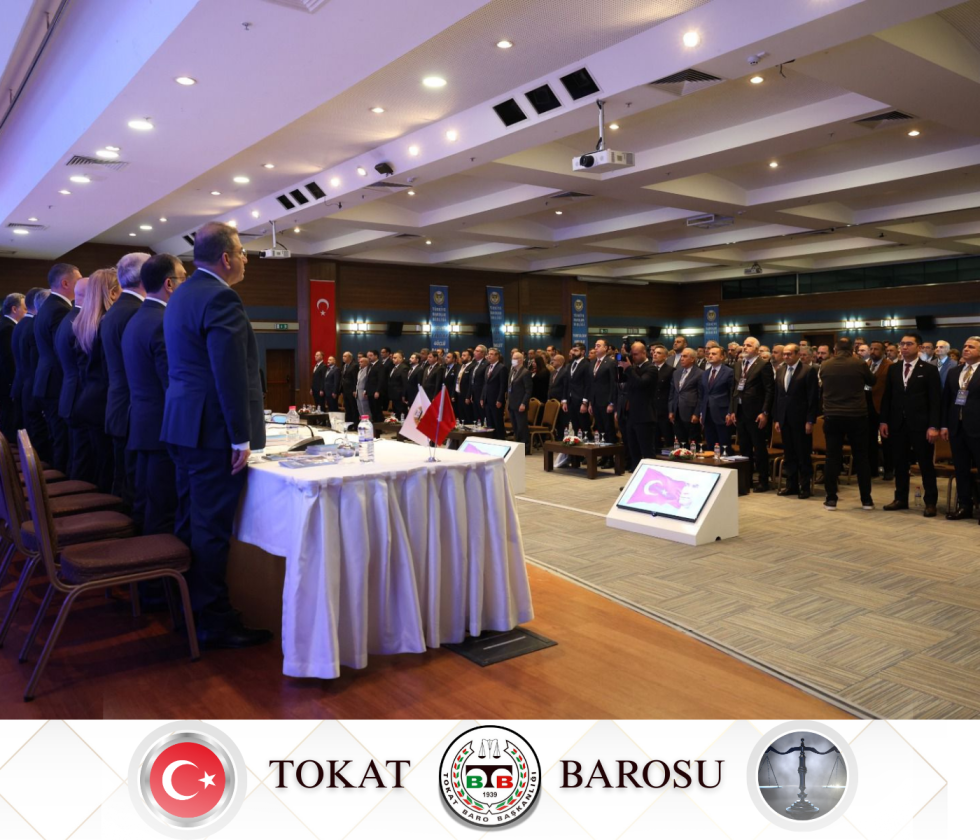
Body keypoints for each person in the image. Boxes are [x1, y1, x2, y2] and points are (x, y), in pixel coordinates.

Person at [161, 221, 271, 649]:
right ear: (226, 258)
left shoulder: (181, 295)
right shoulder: (221, 297)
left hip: (182, 424)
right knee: (210, 529)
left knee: (190, 520)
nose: (245, 260)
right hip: (211, 432)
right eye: (242, 252)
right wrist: (240, 436)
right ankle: (213, 621)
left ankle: (186, 608)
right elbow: (229, 372)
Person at [122, 254, 186, 535]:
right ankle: (158, 565)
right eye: (183, 277)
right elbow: (171, 384)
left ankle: (143, 560)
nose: (186, 283)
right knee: (163, 512)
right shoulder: (162, 321)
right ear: (169, 284)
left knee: (146, 505)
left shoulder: (136, 319)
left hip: (142, 424)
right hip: (163, 430)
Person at [101, 252, 151, 511]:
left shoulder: (113, 311)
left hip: (118, 404)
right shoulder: (138, 313)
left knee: (124, 481)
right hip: (134, 408)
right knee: (137, 487)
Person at [880, 333, 941, 517]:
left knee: (925, 464)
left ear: (919, 347)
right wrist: (884, 420)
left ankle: (930, 502)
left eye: (909, 344)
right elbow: (887, 397)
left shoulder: (929, 370)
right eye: (902, 344)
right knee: (900, 463)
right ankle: (900, 498)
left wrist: (934, 426)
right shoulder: (894, 368)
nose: (904, 347)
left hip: (921, 424)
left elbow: (935, 400)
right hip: (898, 423)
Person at [73, 270, 119, 494]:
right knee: (110, 466)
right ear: (111, 292)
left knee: (102, 463)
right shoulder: (107, 324)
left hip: (89, 400)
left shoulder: (82, 322)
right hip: (104, 403)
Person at [818, 337, 875, 511]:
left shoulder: (825, 365)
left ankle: (831, 499)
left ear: (835, 350)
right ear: (852, 350)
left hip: (832, 415)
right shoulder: (859, 364)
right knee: (861, 458)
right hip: (857, 415)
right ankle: (866, 500)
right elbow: (872, 381)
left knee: (832, 457)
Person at [33, 262, 79, 474]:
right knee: (62, 438)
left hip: (46, 379)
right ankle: (62, 481)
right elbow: (63, 349)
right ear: (66, 283)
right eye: (78, 280)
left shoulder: (48, 306)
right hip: (56, 381)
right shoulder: (60, 309)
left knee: (57, 435)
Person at [53, 278, 89, 482]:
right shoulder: (79, 322)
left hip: (69, 393)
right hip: (78, 396)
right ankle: (80, 495)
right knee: (82, 460)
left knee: (77, 455)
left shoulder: (70, 317)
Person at [941, 336, 980, 521]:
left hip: (977, 428)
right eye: (965, 346)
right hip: (957, 428)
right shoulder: (954, 372)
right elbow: (946, 401)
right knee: (961, 469)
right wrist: (944, 425)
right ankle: (965, 506)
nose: (966, 349)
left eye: (971, 347)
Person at [728, 336, 774, 492]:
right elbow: (734, 389)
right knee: (744, 447)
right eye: (744, 345)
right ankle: (746, 480)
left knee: (759, 447)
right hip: (740, 411)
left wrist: (765, 412)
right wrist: (732, 410)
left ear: (756, 349)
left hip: (756, 413)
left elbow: (769, 391)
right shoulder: (738, 364)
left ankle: (763, 480)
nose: (745, 347)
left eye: (748, 345)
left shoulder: (763, 365)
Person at [772, 344, 819, 498]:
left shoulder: (808, 370)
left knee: (803, 454)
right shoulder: (781, 370)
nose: (786, 357)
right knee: (789, 454)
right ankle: (791, 485)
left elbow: (813, 398)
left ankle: (805, 487)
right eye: (784, 354)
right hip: (784, 419)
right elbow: (778, 396)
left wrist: (810, 420)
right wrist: (777, 418)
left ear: (798, 354)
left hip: (801, 419)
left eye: (789, 354)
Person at [16, 287, 51, 462]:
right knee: (40, 447)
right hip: (35, 390)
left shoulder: (24, 324)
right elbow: (37, 364)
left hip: (28, 387)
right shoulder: (34, 327)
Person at [620, 341, 656, 469]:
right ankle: (635, 476)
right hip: (631, 415)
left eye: (635, 354)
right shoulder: (634, 368)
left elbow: (641, 383)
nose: (633, 357)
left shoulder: (651, 368)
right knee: (633, 449)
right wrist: (621, 366)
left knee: (646, 450)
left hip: (644, 416)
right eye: (632, 354)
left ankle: (651, 476)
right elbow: (621, 382)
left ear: (644, 353)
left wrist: (629, 369)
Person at [0, 293, 26, 441]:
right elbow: (8, 359)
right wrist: (13, 382)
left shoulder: (5, 324)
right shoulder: (8, 328)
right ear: (14, 309)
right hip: (6, 382)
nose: (27, 312)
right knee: (8, 418)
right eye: (25, 308)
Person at [699, 346, 735, 454]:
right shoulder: (705, 373)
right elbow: (703, 394)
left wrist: (730, 412)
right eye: (709, 354)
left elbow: (732, 394)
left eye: (714, 354)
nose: (710, 356)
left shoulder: (729, 372)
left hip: (722, 412)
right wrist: (701, 412)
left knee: (724, 444)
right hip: (707, 412)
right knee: (710, 443)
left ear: (722, 357)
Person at [867, 341, 892, 480]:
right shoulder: (866, 365)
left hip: (883, 405)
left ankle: (889, 469)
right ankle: (872, 469)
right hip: (868, 405)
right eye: (871, 349)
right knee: (870, 439)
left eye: (876, 349)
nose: (872, 351)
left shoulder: (889, 365)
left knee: (886, 440)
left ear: (883, 351)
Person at [668, 348, 702, 449]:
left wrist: (696, 413)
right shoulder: (676, 373)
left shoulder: (700, 373)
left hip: (691, 412)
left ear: (692, 359)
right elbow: (672, 393)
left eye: (685, 356)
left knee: (693, 442)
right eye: (681, 356)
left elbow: (701, 396)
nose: (681, 359)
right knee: (680, 441)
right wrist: (671, 410)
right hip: (677, 412)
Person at [588, 339, 618, 452]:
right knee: (600, 428)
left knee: (608, 427)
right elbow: (591, 384)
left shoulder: (611, 362)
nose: (596, 348)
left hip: (606, 401)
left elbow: (613, 383)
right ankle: (603, 453)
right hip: (595, 400)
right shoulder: (592, 362)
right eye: (595, 345)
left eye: (598, 346)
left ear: (605, 348)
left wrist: (611, 403)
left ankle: (610, 455)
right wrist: (590, 402)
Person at [508, 351, 532, 453]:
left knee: (522, 427)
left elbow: (528, 390)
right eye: (512, 358)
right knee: (515, 427)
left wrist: (523, 403)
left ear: (521, 360)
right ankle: (518, 447)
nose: (512, 360)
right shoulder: (512, 371)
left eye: (515, 358)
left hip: (520, 404)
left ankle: (525, 447)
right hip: (512, 403)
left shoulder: (525, 372)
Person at [649, 345, 673, 450]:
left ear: (665, 356)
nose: (655, 354)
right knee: (653, 438)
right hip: (651, 408)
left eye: (658, 353)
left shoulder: (670, 370)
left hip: (664, 409)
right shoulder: (649, 368)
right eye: (654, 352)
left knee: (668, 436)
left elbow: (672, 392)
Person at [482, 347, 507, 439]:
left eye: (492, 354)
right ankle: (492, 440)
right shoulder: (487, 367)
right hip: (487, 399)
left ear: (497, 356)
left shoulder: (502, 368)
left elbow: (503, 385)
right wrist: (482, 397)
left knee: (497, 422)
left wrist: (500, 399)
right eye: (488, 354)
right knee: (490, 423)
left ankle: (501, 440)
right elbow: (485, 384)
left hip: (496, 399)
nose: (489, 356)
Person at [469, 345, 488, 424]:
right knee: (476, 415)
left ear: (483, 353)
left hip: (481, 394)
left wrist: (482, 396)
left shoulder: (486, 364)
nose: (474, 352)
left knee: (482, 414)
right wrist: (471, 394)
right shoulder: (475, 363)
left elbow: (485, 382)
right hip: (474, 394)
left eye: (477, 351)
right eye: (475, 351)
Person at [365, 349, 385, 422]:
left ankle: (379, 425)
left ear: (376, 356)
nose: (369, 357)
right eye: (368, 356)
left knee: (377, 409)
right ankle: (374, 424)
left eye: (371, 355)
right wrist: (365, 390)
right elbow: (368, 379)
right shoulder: (370, 365)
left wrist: (378, 391)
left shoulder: (380, 365)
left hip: (376, 391)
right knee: (372, 409)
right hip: (370, 391)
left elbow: (381, 379)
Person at [387, 351, 409, 416]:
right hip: (393, 394)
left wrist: (404, 395)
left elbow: (405, 383)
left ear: (401, 358)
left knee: (401, 412)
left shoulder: (404, 368)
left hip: (399, 395)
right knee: (396, 412)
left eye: (395, 358)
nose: (393, 359)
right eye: (393, 358)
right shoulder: (394, 367)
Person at [455, 349, 473, 421]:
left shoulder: (472, 366)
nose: (462, 357)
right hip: (459, 394)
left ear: (469, 357)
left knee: (467, 415)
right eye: (462, 355)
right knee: (460, 415)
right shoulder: (461, 366)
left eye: (464, 355)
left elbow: (470, 383)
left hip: (466, 395)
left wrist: (468, 396)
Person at [356, 354, 371, 418]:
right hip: (358, 392)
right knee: (360, 409)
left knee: (365, 409)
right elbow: (358, 382)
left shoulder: (368, 370)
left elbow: (367, 382)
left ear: (366, 363)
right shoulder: (359, 371)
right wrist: (356, 391)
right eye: (359, 362)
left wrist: (366, 391)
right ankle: (362, 421)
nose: (360, 363)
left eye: (362, 362)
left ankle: (368, 421)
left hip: (364, 392)